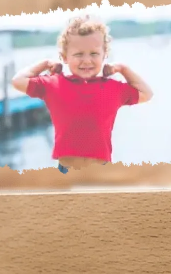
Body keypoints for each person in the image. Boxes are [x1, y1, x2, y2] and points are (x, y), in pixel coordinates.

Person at [12, 15, 152, 169]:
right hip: (66, 171)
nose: (86, 60)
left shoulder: (113, 88)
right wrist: (44, 63)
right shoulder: (53, 84)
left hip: (101, 171)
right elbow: (18, 81)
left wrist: (122, 68)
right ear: (64, 57)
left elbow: (146, 93)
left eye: (94, 54)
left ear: (104, 55)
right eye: (78, 54)